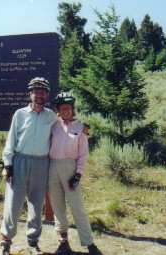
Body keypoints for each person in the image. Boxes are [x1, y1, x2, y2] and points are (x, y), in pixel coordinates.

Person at [0, 77, 57, 255]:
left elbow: (66, 129)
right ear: (30, 93)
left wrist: (82, 129)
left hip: (41, 163)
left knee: (36, 205)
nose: (39, 95)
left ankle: (33, 242)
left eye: (42, 92)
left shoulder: (51, 116)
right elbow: (11, 141)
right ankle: (5, 243)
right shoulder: (20, 114)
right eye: (36, 91)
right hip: (20, 161)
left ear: (47, 95)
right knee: (13, 205)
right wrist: (7, 165)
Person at [48, 92, 103, 255]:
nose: (65, 110)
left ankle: (90, 244)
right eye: (62, 107)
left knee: (77, 207)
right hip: (52, 167)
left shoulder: (80, 128)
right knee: (58, 207)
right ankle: (63, 242)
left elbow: (84, 154)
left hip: (70, 168)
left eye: (69, 107)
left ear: (73, 109)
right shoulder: (53, 126)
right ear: (57, 109)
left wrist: (78, 174)